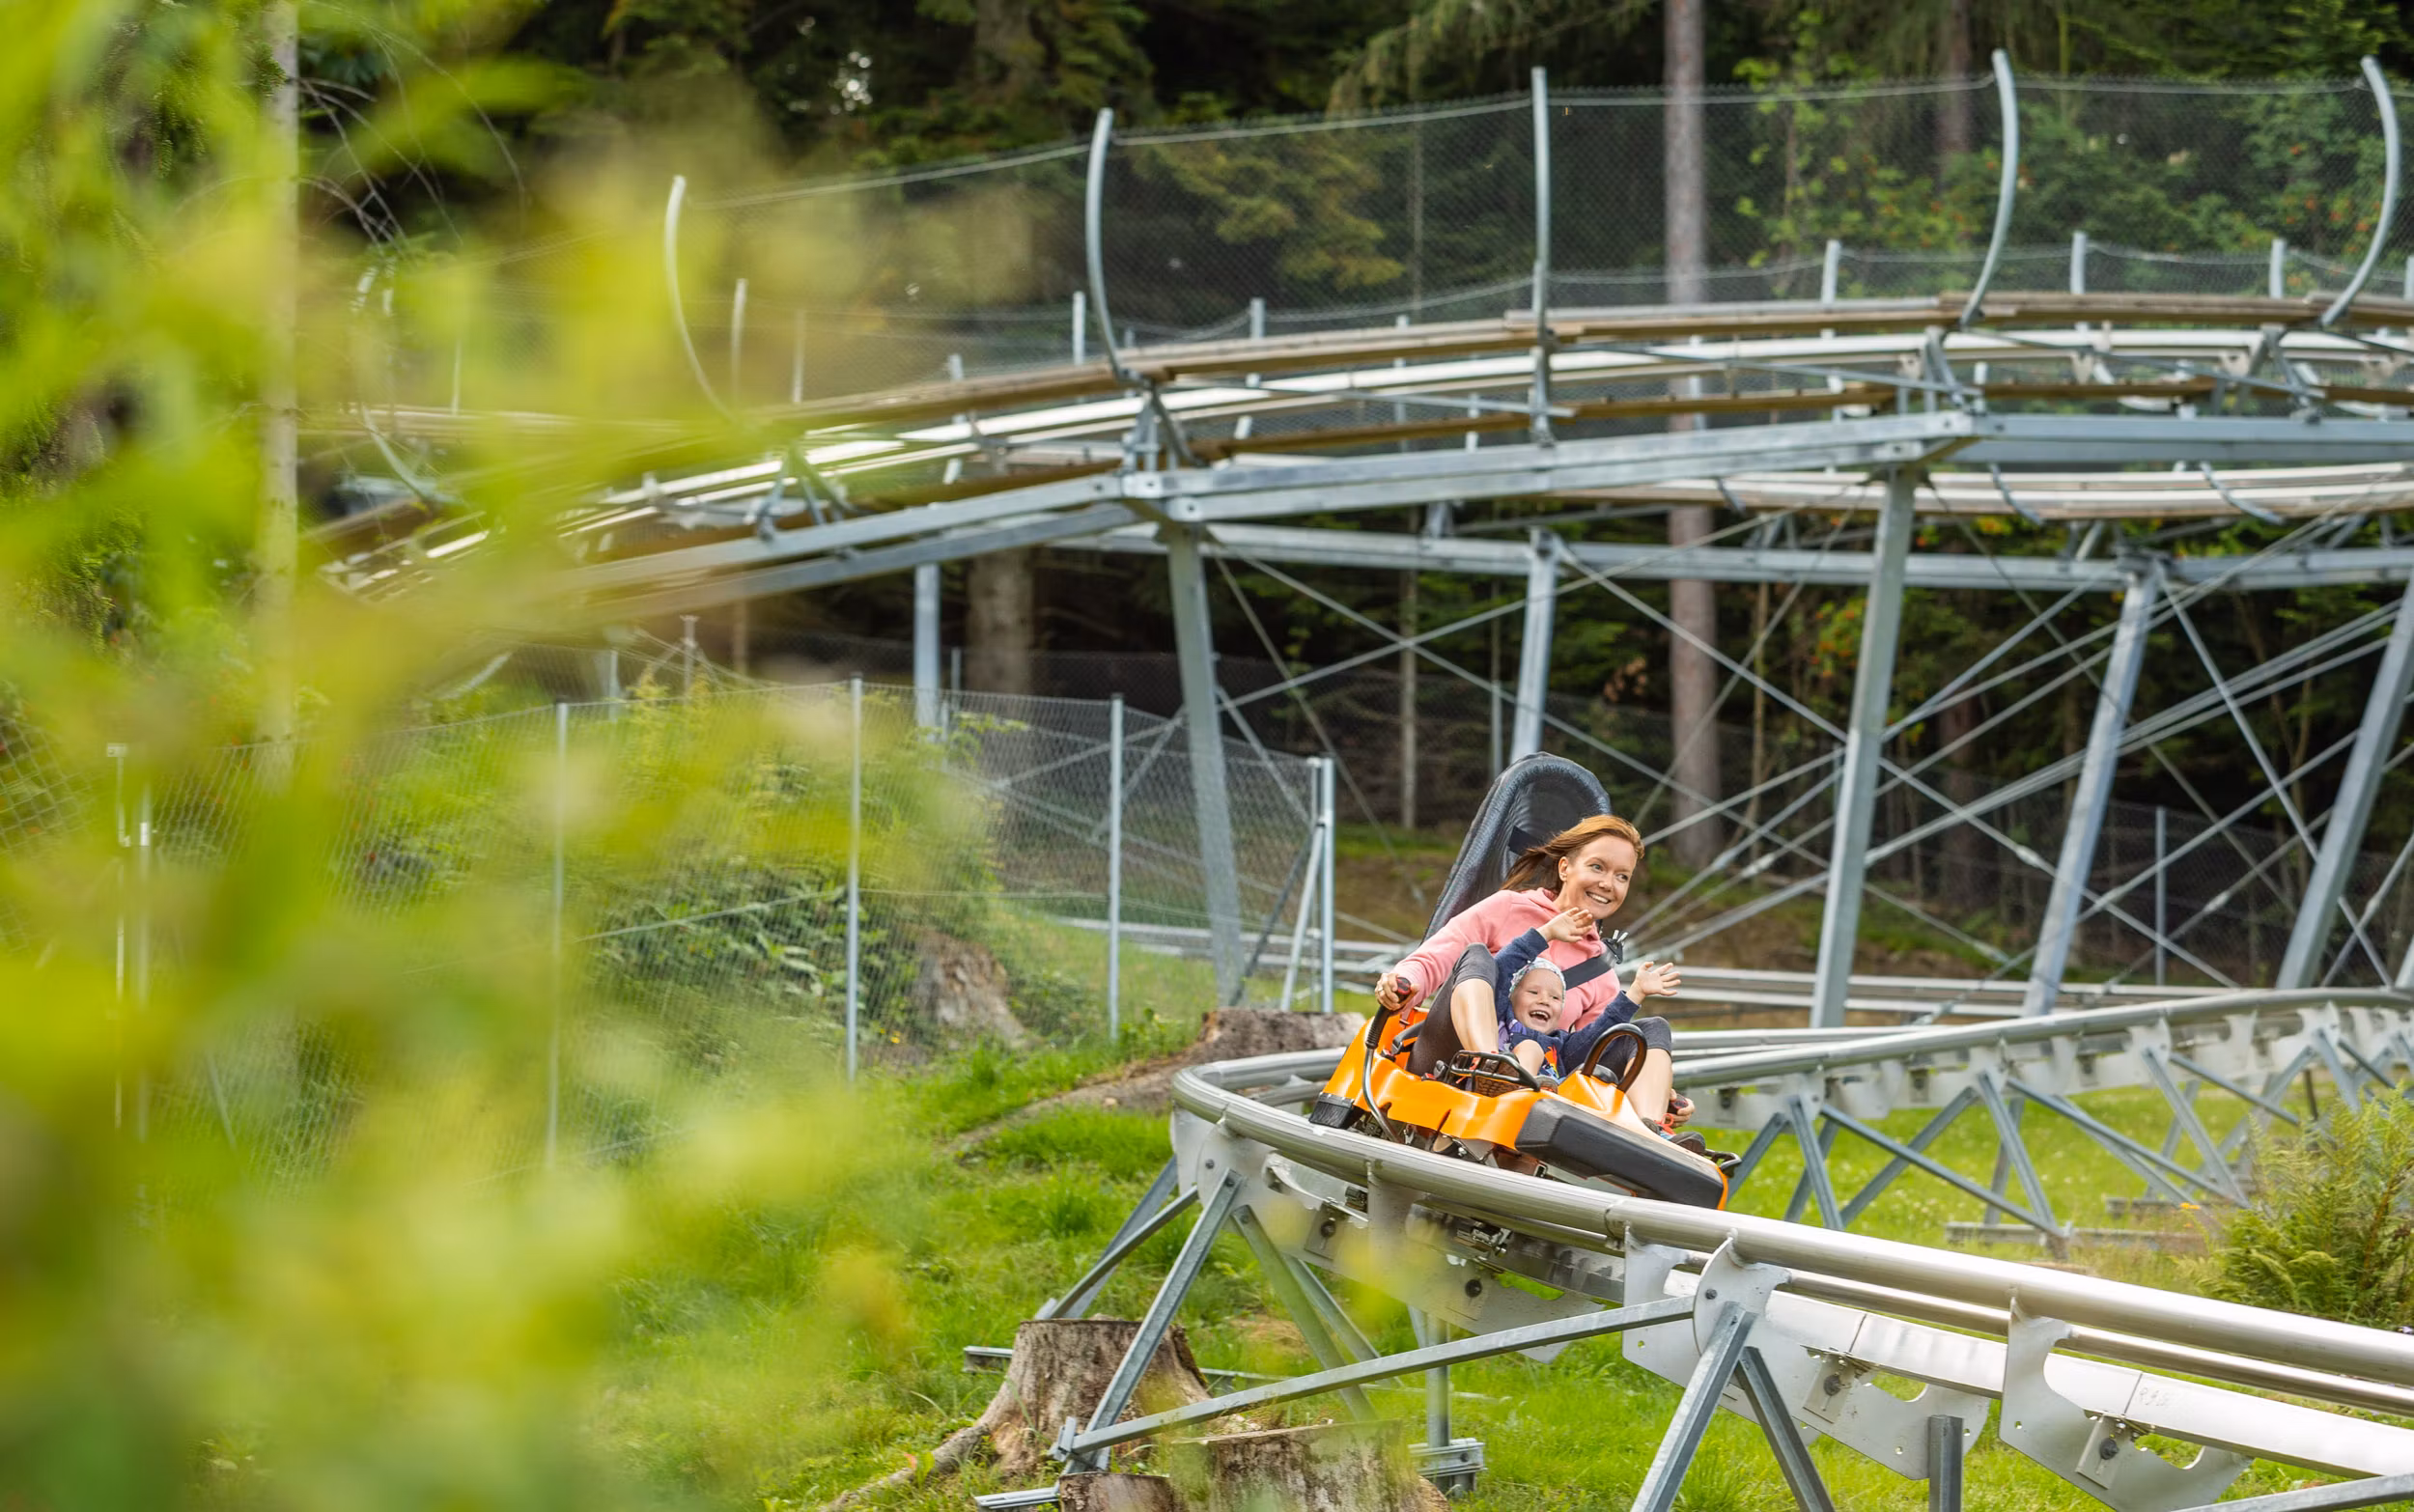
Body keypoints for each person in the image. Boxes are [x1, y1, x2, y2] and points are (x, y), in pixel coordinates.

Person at [1375, 814, 1691, 1129]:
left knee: (1646, 1032)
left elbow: (1586, 1054)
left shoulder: (1601, 975)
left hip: (1537, 1086)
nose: (1608, 884)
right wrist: (1403, 981)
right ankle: (1491, 1067)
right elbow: (1434, 959)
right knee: (1478, 956)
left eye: (1622, 876)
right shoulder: (1507, 908)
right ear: (1565, 868)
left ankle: (1651, 1129)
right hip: (1448, 1061)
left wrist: (1652, 1085)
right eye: (1597, 867)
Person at [1489, 906, 1680, 1088]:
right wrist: (1545, 933)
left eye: (1555, 998)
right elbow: (1502, 967)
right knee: (1530, 1047)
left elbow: (1599, 1033)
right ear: (1511, 997)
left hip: (1551, 1107)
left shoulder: (1561, 1045)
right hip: (1498, 1096)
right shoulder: (1498, 1020)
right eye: (1533, 992)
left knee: (1594, 1074)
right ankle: (1515, 1087)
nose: (1544, 1000)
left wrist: (1635, 993)